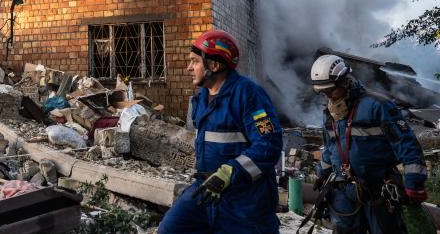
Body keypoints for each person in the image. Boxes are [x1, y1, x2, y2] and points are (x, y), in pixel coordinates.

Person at [159, 29, 282, 234]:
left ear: (214, 65)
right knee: (171, 228)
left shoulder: (249, 95)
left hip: (244, 199)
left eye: (195, 61)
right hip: (206, 189)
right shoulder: (201, 98)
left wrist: (229, 172)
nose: (189, 67)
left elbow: (269, 145)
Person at [311, 54, 428, 234]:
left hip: (378, 189)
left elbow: (406, 144)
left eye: (330, 89)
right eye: (321, 91)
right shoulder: (330, 113)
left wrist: (414, 183)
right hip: (342, 190)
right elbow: (331, 148)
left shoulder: (377, 106)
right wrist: (322, 173)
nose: (326, 95)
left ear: (344, 81)